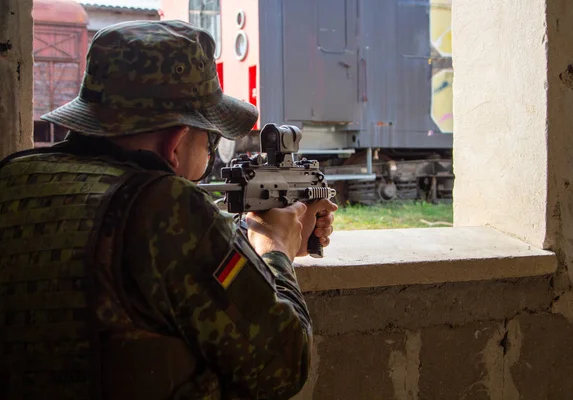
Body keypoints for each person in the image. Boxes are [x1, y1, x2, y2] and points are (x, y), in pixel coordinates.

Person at [0, 20, 337, 399]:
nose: (209, 153)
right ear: (176, 144)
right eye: (209, 141)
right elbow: (283, 364)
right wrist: (275, 246)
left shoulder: (12, 175)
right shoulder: (167, 206)